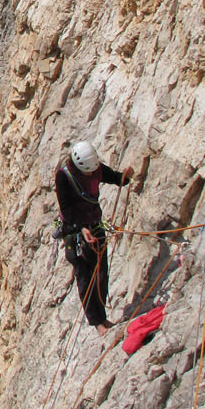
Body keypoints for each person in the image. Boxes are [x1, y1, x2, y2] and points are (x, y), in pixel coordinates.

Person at [54, 141, 130, 333]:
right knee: (85, 276)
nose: (90, 175)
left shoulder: (94, 169)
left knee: (101, 273)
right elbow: (66, 208)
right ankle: (97, 323)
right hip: (74, 231)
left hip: (94, 226)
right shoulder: (64, 177)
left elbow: (115, 178)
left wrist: (126, 177)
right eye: (87, 172)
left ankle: (102, 317)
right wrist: (81, 229)